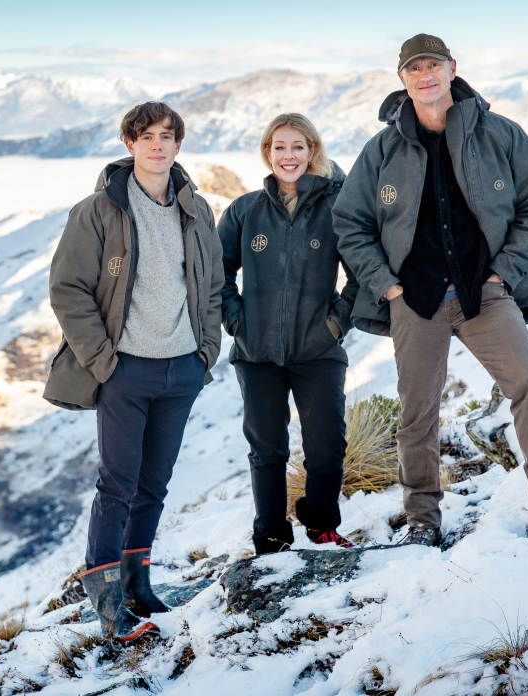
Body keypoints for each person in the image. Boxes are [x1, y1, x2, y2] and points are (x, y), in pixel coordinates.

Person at [332, 34, 528, 547]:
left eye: (434, 65)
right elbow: (351, 222)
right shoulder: (382, 150)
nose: (425, 75)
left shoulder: (498, 133)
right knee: (417, 414)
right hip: (414, 299)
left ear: (453, 69)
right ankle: (422, 524)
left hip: (486, 292)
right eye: (415, 69)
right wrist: (386, 286)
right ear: (402, 79)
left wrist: (505, 271)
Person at [43, 101, 223, 640]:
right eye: (146, 136)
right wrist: (104, 361)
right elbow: (67, 290)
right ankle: (108, 607)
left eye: (167, 136)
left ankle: (139, 586)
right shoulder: (98, 210)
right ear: (129, 144)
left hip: (182, 368)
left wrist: (205, 350)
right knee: (117, 485)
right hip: (126, 370)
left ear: (177, 144)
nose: (157, 145)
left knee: (154, 485)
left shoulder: (196, 208)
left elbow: (211, 285)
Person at [218, 113, 360, 555]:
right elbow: (216, 273)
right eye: (279, 147)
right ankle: (271, 535)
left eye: (298, 146)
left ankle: (320, 523)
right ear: (267, 153)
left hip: (317, 350)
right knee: (267, 450)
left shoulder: (337, 209)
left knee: (326, 446)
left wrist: (335, 324)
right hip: (256, 353)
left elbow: (360, 275)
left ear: (312, 151)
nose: (289, 155)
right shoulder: (245, 210)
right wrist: (236, 320)